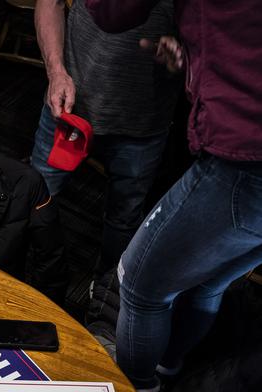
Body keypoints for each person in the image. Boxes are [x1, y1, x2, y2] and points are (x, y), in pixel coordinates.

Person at [85, 0, 262, 392]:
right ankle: (168, 367)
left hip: (246, 162)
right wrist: (203, 55)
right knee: (210, 281)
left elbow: (112, 12)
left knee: (138, 283)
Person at [31, 0, 179, 282]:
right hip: (69, 109)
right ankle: (17, 280)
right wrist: (56, 72)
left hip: (143, 123)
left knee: (124, 217)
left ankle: (105, 293)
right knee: (35, 195)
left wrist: (186, 62)